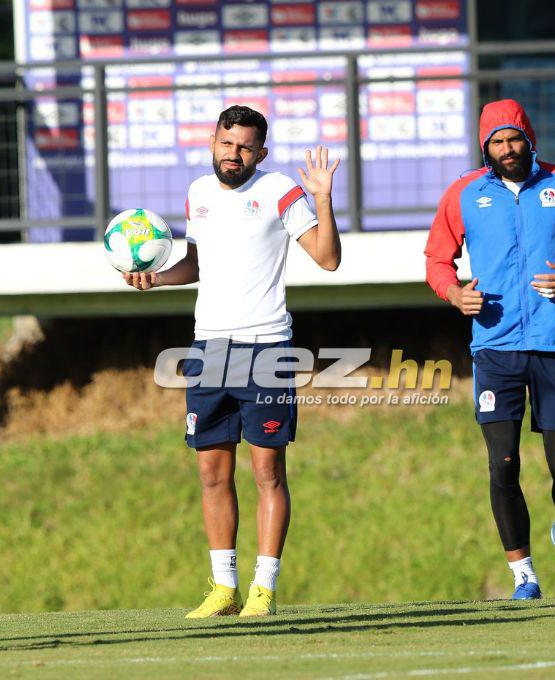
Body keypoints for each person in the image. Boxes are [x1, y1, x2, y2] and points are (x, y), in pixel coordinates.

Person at [123, 105, 341, 617]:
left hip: (267, 348)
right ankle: (224, 588)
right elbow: (196, 264)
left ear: (260, 153)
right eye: (226, 143)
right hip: (208, 350)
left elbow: (328, 258)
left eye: (245, 147)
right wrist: (156, 276)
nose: (233, 154)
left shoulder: (280, 190)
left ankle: (263, 590)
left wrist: (324, 199)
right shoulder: (198, 193)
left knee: (267, 472)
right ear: (213, 142)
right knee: (212, 475)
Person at [424, 99, 555, 600]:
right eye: (497, 142)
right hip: (495, 345)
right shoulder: (464, 193)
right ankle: (523, 574)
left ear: (530, 139)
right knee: (503, 465)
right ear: (485, 147)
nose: (508, 149)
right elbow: (437, 260)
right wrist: (454, 293)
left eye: (515, 139)